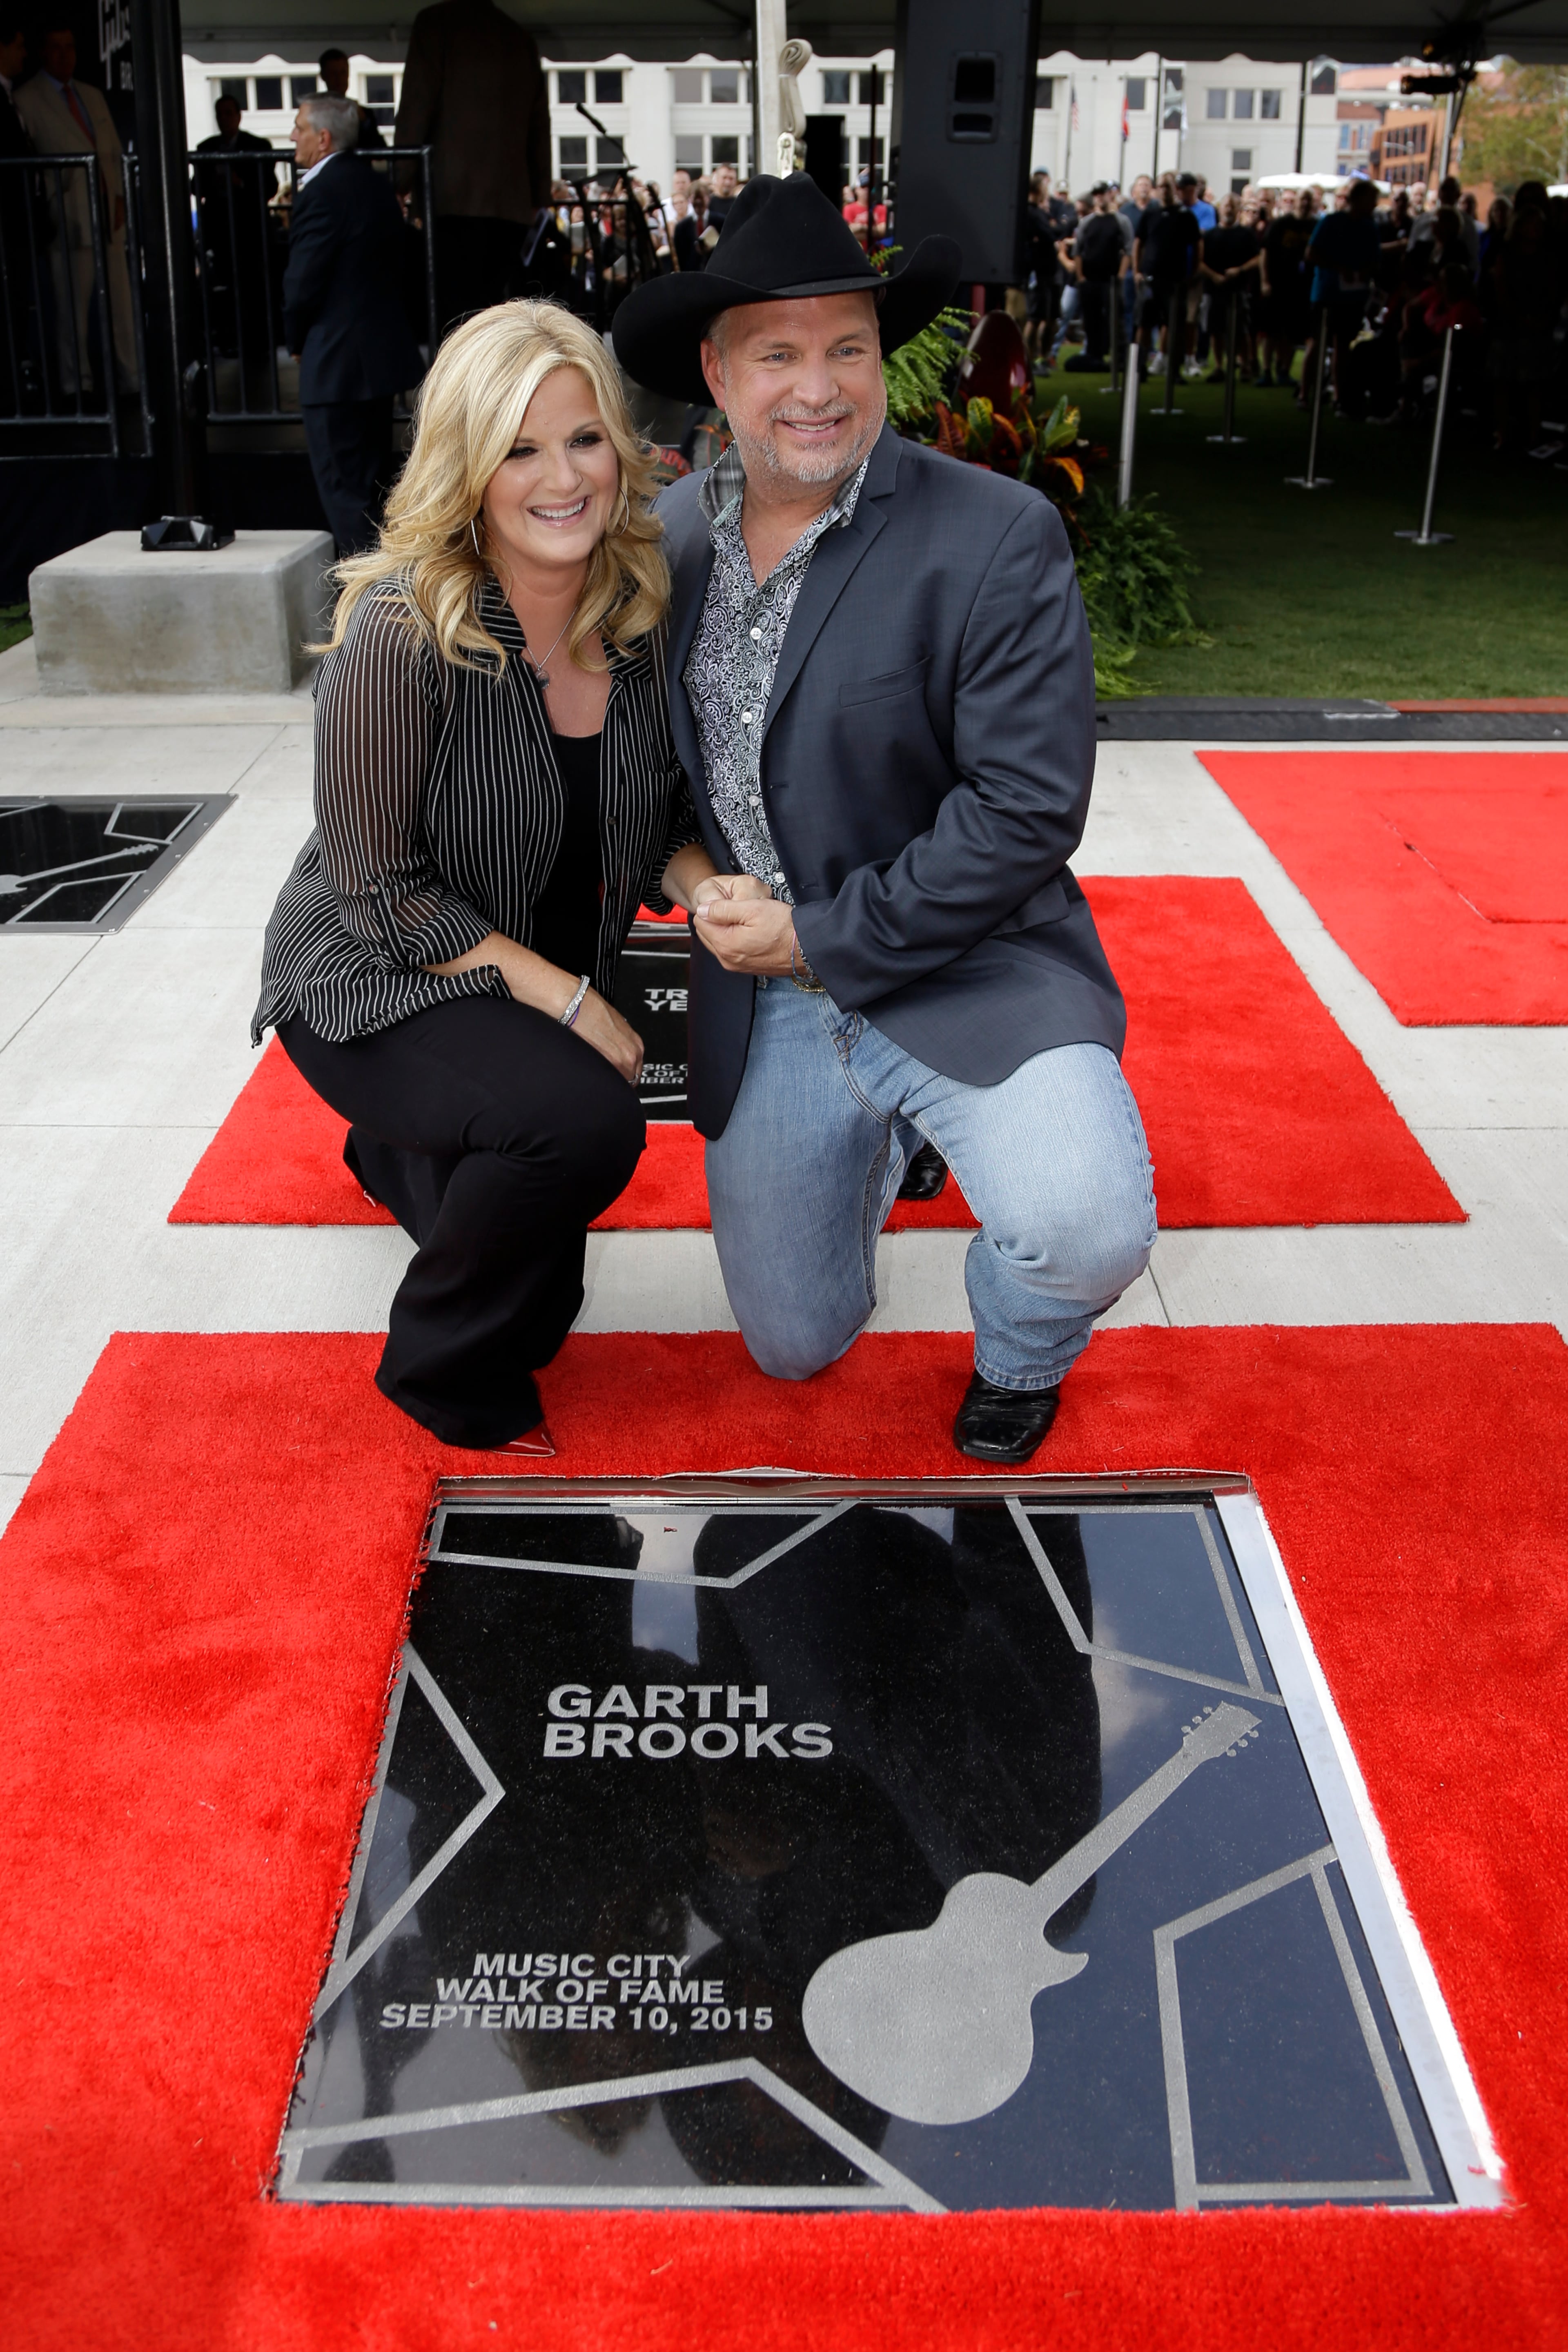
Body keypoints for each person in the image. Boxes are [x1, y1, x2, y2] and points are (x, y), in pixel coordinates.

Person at [612, 174, 1155, 1463]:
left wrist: (815, 936)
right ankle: (892, 1138)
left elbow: (1026, 810)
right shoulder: (660, 540)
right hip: (771, 995)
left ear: (880, 356)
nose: (817, 387)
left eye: (846, 348)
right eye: (778, 353)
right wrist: (702, 890)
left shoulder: (998, 535)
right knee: (792, 1343)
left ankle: (1025, 1354)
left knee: (1083, 1229)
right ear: (716, 371)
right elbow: (639, 776)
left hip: (967, 962)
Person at [254, 303, 709, 1452]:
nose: (561, 477)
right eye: (518, 448)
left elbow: (648, 819)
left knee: (551, 1309)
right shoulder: (401, 636)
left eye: (583, 439)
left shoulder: (640, 612)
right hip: (374, 974)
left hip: (514, 972)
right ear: (467, 465)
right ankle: (439, 1368)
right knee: (585, 1127)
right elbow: (375, 889)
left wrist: (708, 889)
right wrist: (566, 997)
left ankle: (402, 1151)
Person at [284, 94, 424, 554]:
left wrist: (296, 339)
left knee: (345, 494)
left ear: (322, 139)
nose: (292, 137)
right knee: (371, 492)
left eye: (299, 128)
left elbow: (303, 281)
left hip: (334, 366)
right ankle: (389, 595)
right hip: (377, 362)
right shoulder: (376, 185)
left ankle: (369, 609)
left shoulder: (321, 191)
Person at [394, 0, 551, 336]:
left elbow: (416, 106)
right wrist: (539, 192)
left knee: (454, 319)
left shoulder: (435, 24)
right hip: (511, 203)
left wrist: (399, 179)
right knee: (493, 313)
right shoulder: (519, 37)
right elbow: (540, 127)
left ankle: (462, 389)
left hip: (452, 198)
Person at [14, 26, 138, 396]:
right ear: (43, 53)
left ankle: (131, 378)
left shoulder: (92, 95)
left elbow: (114, 153)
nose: (64, 55)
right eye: (55, 47)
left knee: (121, 305)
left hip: (108, 216)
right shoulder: (25, 98)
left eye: (69, 47)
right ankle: (76, 383)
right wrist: (55, 201)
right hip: (68, 216)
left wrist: (118, 199)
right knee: (72, 311)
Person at [195, 93, 281, 410]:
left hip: (251, 231)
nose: (225, 119)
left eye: (230, 113)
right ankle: (233, 339)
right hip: (220, 232)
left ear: (239, 116)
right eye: (220, 114)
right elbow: (195, 186)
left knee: (255, 287)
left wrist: (239, 182)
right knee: (227, 287)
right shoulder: (206, 149)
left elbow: (269, 187)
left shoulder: (258, 145)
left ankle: (259, 343)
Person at [1305, 174, 1381, 410]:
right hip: (1327, 293)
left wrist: (1364, 273)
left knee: (1343, 346)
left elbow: (1375, 259)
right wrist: (1340, 268)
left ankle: (1340, 396)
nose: (1375, 205)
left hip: (1353, 296)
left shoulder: (1370, 227)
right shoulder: (1331, 222)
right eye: (1371, 200)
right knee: (1317, 343)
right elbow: (1312, 253)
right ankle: (1306, 395)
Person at [1134, 171, 1202, 375]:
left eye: (1168, 187)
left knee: (1174, 324)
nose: (1165, 191)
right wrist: (1137, 270)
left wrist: (1194, 272)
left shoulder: (1185, 216)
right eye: (1161, 186)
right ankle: (1140, 365)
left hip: (1175, 280)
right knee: (1145, 324)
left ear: (1176, 190)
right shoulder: (1150, 214)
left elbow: (1197, 245)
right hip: (1151, 279)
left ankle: (1174, 368)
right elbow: (1139, 243)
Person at [1259, 186, 1315, 387]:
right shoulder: (1281, 225)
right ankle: (1266, 371)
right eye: (1303, 199)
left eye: (1309, 199)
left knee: (1292, 333)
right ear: (1295, 201)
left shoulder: (1315, 226)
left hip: (1301, 288)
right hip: (1277, 285)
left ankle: (1284, 371)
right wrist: (1265, 281)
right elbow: (1265, 254)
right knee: (1272, 331)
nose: (1306, 203)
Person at [317, 47, 385, 150]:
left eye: (343, 73)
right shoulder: (315, 113)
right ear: (323, 76)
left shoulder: (364, 113)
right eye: (334, 74)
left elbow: (380, 149)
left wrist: (365, 122)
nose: (339, 79)